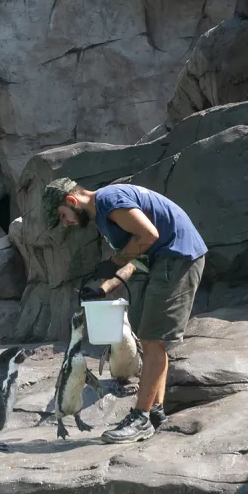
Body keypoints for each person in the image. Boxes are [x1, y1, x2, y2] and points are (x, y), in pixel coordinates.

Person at [42, 179, 208, 443]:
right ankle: (155, 412)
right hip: (167, 259)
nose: (66, 222)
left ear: (72, 201)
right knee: (151, 340)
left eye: (63, 216)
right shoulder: (105, 212)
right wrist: (104, 288)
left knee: (152, 340)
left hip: (177, 258)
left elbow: (149, 235)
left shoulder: (109, 201)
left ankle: (140, 418)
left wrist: (114, 261)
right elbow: (138, 256)